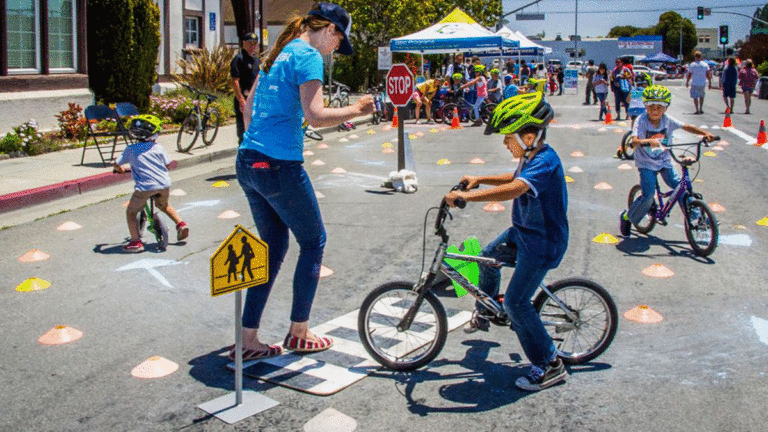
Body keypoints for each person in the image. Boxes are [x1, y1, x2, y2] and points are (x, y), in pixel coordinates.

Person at [236, 2, 374, 360]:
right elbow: (315, 116)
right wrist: (357, 110)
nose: (335, 52)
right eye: (338, 43)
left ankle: (247, 337)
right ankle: (299, 332)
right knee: (313, 242)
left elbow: (247, 109)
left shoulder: (277, 53)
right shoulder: (308, 55)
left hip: (248, 159)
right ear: (330, 29)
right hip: (278, 165)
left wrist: (264, 142)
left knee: (273, 247)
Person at [445, 92, 569, 391]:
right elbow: (512, 177)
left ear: (528, 135)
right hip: (523, 233)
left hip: (542, 242)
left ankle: (550, 365)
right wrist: (480, 178)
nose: (505, 143)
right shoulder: (530, 156)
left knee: (516, 302)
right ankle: (488, 309)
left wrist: (467, 196)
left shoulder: (545, 161)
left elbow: (514, 189)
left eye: (507, 137)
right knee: (489, 257)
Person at [619, 85, 715, 237]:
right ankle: (627, 217)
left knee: (680, 187)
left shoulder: (667, 120)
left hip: (664, 160)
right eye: (651, 107)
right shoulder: (641, 120)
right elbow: (635, 140)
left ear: (666, 108)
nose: (655, 111)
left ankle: (697, 218)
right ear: (645, 106)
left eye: (659, 107)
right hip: (646, 163)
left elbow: (686, 126)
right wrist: (648, 141)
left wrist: (705, 133)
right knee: (648, 195)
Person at [113, 115, 190, 253]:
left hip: (145, 187)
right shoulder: (158, 147)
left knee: (131, 212)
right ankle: (180, 223)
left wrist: (120, 170)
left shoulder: (131, 149)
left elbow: (116, 164)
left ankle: (136, 242)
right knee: (164, 205)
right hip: (163, 184)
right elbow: (168, 164)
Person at [231, 32, 260, 145]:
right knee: (243, 132)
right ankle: (243, 158)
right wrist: (241, 99)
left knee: (254, 130)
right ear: (244, 43)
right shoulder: (239, 59)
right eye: (250, 43)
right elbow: (235, 81)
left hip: (254, 100)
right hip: (243, 100)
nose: (252, 46)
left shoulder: (257, 60)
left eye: (254, 44)